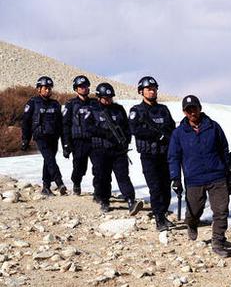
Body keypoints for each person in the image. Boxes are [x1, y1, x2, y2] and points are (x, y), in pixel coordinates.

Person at [168, 95, 231, 257]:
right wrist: (175, 178)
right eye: (188, 110)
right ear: (184, 112)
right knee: (194, 211)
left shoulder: (213, 127)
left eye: (194, 108)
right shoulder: (178, 133)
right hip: (194, 178)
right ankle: (191, 223)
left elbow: (224, 149)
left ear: (200, 108)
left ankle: (218, 241)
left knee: (221, 211)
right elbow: (173, 157)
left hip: (217, 176)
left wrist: (229, 172)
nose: (192, 113)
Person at [128, 76, 176, 231]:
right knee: (155, 187)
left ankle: (163, 214)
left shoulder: (163, 109)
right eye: (149, 89)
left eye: (154, 88)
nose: (152, 91)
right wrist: (157, 135)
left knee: (166, 187)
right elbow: (136, 130)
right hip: (149, 155)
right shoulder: (137, 110)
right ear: (141, 91)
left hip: (165, 154)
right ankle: (159, 219)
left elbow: (171, 127)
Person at [86, 83, 140, 214]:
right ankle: (104, 200)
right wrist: (105, 133)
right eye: (105, 97)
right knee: (103, 176)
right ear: (99, 97)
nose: (108, 100)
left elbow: (127, 128)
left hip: (118, 150)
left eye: (110, 97)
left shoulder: (119, 109)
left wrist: (126, 140)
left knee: (123, 176)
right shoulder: (92, 110)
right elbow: (88, 127)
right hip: (100, 150)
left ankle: (130, 201)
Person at [21, 75, 67, 196]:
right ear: (39, 89)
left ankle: (46, 187)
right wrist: (25, 139)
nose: (47, 90)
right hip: (40, 136)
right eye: (45, 87)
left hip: (53, 137)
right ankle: (59, 182)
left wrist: (64, 142)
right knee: (50, 159)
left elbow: (60, 124)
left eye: (49, 88)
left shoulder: (55, 104)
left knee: (48, 160)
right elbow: (25, 121)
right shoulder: (32, 103)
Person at [61, 75, 99, 195]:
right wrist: (66, 144)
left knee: (99, 167)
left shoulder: (95, 103)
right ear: (76, 89)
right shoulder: (70, 104)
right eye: (81, 87)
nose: (84, 89)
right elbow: (65, 126)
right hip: (78, 141)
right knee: (79, 167)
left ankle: (98, 191)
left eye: (86, 86)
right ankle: (76, 183)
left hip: (94, 140)